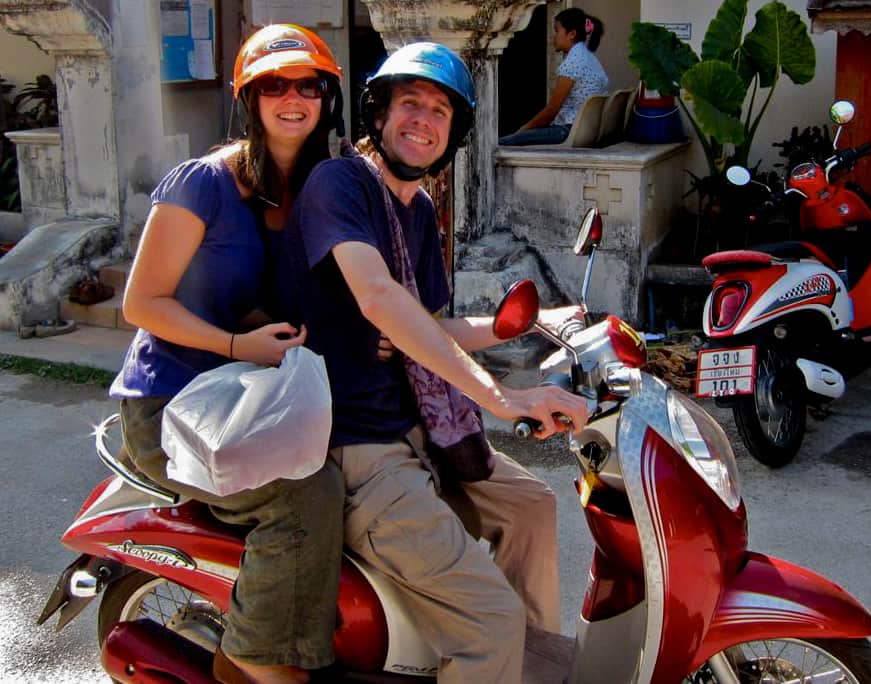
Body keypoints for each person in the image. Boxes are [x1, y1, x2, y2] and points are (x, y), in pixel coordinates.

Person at [277, 43, 589, 682]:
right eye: (409, 104)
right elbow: (377, 294)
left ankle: (526, 668)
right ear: (379, 115)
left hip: (417, 428)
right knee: (489, 622)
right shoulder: (340, 184)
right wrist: (502, 397)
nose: (422, 119)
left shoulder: (418, 212)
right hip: (361, 446)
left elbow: (426, 326)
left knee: (531, 506)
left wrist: (534, 323)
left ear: (453, 134)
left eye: (439, 111)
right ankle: (491, 653)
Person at [109, 24, 348, 684]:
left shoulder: (311, 187)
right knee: (305, 492)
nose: (292, 98)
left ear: (326, 97)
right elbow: (143, 302)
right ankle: (259, 654)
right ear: (251, 99)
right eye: (275, 85)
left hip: (246, 392)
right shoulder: (206, 183)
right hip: (173, 402)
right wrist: (237, 343)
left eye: (308, 85)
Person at [498, 8, 608, 146]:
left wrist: (523, 129)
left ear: (571, 34)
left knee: (501, 144)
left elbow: (551, 111)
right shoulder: (590, 58)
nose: (553, 36)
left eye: (557, 30)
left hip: (567, 130)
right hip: (586, 130)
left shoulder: (573, 62)